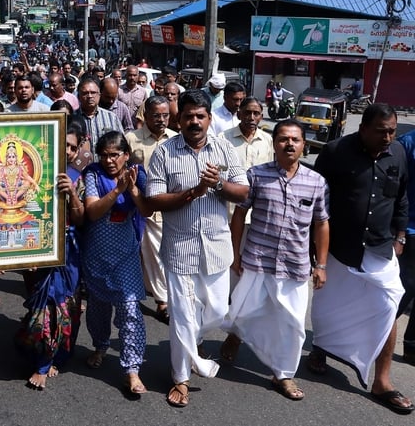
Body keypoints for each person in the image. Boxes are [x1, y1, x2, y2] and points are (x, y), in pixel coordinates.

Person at [309, 103, 414, 414]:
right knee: (330, 305)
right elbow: (319, 199)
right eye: (381, 132)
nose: (388, 138)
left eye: (392, 131)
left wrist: (400, 236)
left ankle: (382, 380)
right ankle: (320, 349)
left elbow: (402, 196)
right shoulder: (334, 151)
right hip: (340, 247)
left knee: (389, 305)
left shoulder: (398, 153)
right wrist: (316, 248)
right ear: (363, 129)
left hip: (381, 248)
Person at [146, 89, 249, 408]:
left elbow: (243, 191)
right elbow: (153, 199)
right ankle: (181, 378)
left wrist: (218, 185)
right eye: (188, 115)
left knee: (217, 311)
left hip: (217, 248)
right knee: (181, 318)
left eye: (200, 116)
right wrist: (193, 192)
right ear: (179, 119)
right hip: (179, 250)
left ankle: (193, 342)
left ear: (208, 118)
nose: (194, 121)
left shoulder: (224, 149)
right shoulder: (165, 152)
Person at [221, 119, 329, 401]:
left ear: (304, 145)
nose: (289, 144)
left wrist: (321, 265)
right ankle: (236, 335)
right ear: (274, 144)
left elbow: (321, 224)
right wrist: (235, 253)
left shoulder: (316, 182)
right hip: (257, 258)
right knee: (242, 311)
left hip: (295, 265)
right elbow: (239, 214)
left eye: (295, 140)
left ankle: (283, 374)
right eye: (283, 139)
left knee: (293, 324)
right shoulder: (256, 175)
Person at [81, 131, 152, 395]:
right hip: (96, 254)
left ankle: (131, 369)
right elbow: (92, 210)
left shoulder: (137, 173)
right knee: (98, 308)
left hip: (126, 255)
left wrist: (131, 189)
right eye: (105, 155)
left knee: (130, 307)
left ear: (125, 155)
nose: (110, 160)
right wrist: (117, 191)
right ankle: (100, 345)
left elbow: (147, 210)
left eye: (115, 155)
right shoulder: (93, 174)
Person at [17, 121, 85, 391]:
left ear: (78, 149)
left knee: (64, 305)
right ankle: (42, 354)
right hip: (37, 247)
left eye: (72, 147)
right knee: (40, 304)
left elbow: (80, 219)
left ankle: (49, 361)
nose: (67, 151)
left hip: (68, 250)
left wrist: (71, 195)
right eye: (63, 145)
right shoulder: (38, 173)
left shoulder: (79, 177)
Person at [125, 96, 176, 322]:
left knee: (161, 253)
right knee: (147, 253)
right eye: (156, 115)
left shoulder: (176, 139)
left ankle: (162, 297)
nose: (162, 120)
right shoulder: (131, 139)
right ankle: (157, 297)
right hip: (138, 206)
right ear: (145, 116)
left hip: (169, 205)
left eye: (165, 115)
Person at [397, 127, 415, 367]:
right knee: (406, 288)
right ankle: (375, 335)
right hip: (410, 228)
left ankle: (411, 346)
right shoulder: (407, 143)